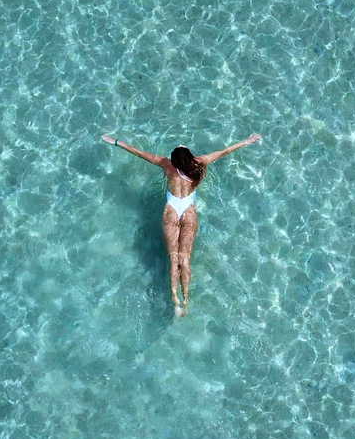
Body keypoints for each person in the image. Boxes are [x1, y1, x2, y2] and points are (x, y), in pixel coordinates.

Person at [102, 133, 262, 316]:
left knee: (173, 257)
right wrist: (247, 141)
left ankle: (174, 299)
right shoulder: (199, 163)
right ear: (188, 156)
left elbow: (138, 153)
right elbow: (224, 151)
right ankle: (186, 299)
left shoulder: (166, 164)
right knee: (185, 258)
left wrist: (115, 141)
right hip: (188, 212)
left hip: (171, 211)